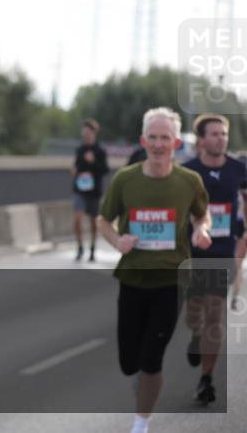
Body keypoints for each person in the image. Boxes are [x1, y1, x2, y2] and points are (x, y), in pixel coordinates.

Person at [97, 107, 211, 433]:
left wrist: (201, 230)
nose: (159, 144)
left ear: (176, 142)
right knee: (129, 362)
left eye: (165, 138)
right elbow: (103, 220)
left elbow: (202, 215)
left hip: (171, 279)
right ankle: (142, 381)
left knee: (152, 358)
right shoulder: (125, 179)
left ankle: (141, 424)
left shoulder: (189, 181)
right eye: (153, 138)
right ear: (143, 140)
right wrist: (117, 240)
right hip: (133, 277)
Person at [180, 114, 247, 405]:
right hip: (193, 252)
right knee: (194, 313)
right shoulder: (187, 171)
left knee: (215, 313)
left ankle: (206, 379)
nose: (221, 138)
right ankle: (195, 336)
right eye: (215, 134)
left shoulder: (239, 169)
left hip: (222, 251)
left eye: (224, 133)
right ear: (202, 140)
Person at [72, 118, 110, 262]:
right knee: (77, 219)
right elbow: (77, 166)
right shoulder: (80, 150)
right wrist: (74, 171)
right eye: (84, 133)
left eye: (88, 133)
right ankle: (80, 247)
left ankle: (93, 248)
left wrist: (93, 162)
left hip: (93, 191)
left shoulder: (100, 151)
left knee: (93, 220)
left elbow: (105, 169)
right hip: (79, 189)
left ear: (93, 134)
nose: (86, 135)